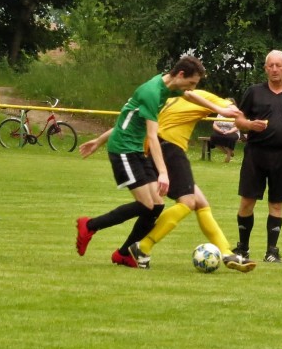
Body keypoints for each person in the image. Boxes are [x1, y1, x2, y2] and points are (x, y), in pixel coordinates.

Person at [75, 56, 233, 262]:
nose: (192, 88)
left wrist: (220, 110)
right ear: (180, 74)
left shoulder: (168, 86)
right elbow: (151, 136)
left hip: (136, 149)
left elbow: (188, 96)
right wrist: (164, 173)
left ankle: (124, 254)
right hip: (123, 149)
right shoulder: (152, 93)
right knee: (146, 205)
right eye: (192, 82)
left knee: (156, 206)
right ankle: (89, 225)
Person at [79, 89, 255, 272]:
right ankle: (142, 247)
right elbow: (234, 111)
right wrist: (250, 124)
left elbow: (129, 125)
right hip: (170, 149)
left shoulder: (166, 100)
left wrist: (99, 140)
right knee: (187, 201)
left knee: (194, 203)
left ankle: (226, 252)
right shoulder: (202, 96)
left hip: (153, 151)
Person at [231, 50, 282, 263]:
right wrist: (249, 125)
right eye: (270, 65)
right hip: (255, 154)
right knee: (247, 202)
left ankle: (272, 252)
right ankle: (242, 248)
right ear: (265, 69)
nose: (274, 69)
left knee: (276, 204)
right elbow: (238, 120)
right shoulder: (254, 92)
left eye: (278, 65)